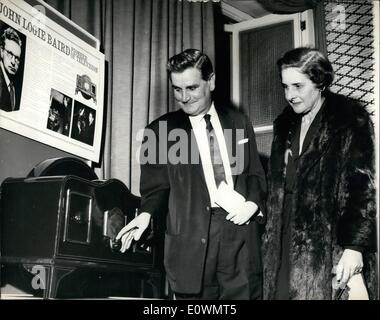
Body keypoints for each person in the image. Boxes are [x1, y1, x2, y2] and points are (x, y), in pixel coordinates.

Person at [116, 49, 267, 299]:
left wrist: (252, 202)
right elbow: (156, 188)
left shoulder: (239, 121)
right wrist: (145, 215)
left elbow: (254, 173)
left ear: (212, 81)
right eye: (177, 89)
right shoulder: (159, 131)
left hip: (239, 238)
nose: (185, 98)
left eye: (193, 88)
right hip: (190, 243)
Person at [262, 47, 377, 300]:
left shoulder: (350, 118)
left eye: (297, 86)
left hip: (328, 242)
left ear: (320, 82)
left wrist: (354, 247)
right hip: (282, 240)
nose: (289, 95)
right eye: (285, 86)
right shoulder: (284, 124)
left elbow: (361, 188)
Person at [0, 27, 22, 112]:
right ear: (1, 51)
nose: (13, 62)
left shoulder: (12, 86)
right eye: (10, 54)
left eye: (17, 58)